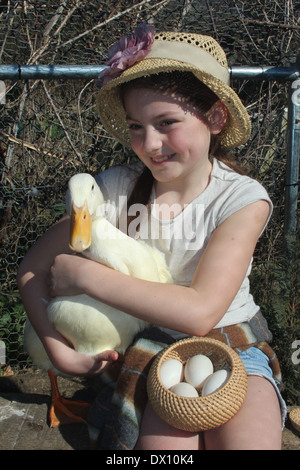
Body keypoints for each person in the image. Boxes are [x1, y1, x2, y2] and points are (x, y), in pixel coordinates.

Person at [17, 24, 286, 450]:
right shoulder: (112, 190)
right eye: (136, 126)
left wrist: (85, 278)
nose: (150, 143)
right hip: (148, 347)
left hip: (231, 341)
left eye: (166, 123)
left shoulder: (242, 199)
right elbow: (31, 268)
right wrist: (58, 351)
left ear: (215, 118)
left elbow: (200, 313)